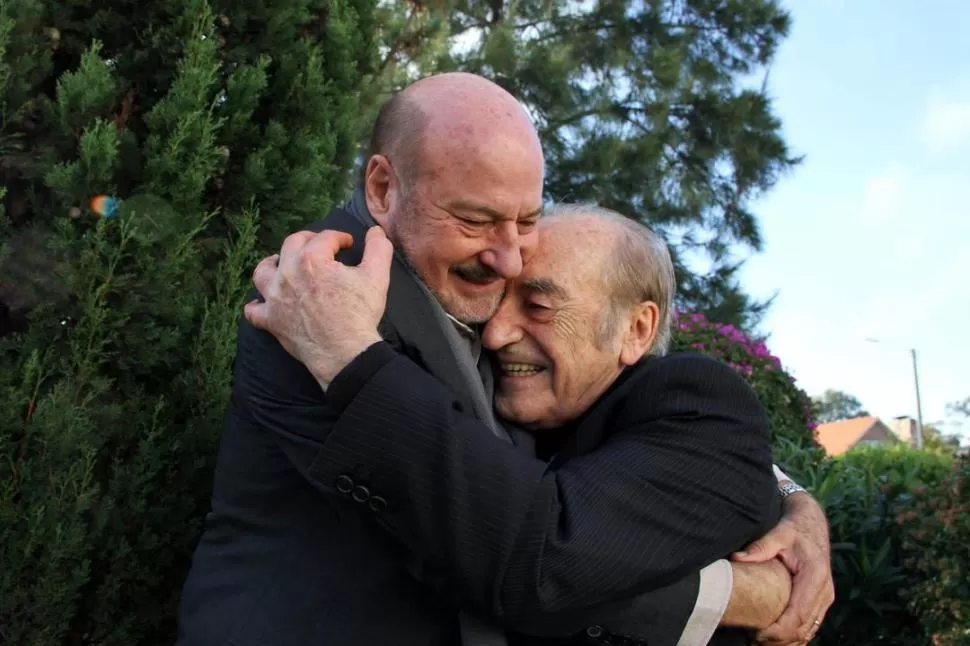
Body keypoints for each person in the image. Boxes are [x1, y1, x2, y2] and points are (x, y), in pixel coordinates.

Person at [178, 72, 833, 646]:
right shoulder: (322, 306)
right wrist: (743, 595)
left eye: (526, 221)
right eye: (475, 219)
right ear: (383, 188)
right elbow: (529, 556)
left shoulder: (464, 301)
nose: (509, 259)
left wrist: (791, 500)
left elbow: (595, 482)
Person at [244, 205, 826, 645]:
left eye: (540, 308)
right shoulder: (535, 401)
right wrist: (789, 507)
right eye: (500, 304)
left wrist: (349, 355)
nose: (496, 335)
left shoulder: (696, 400)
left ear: (637, 331)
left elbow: (548, 560)